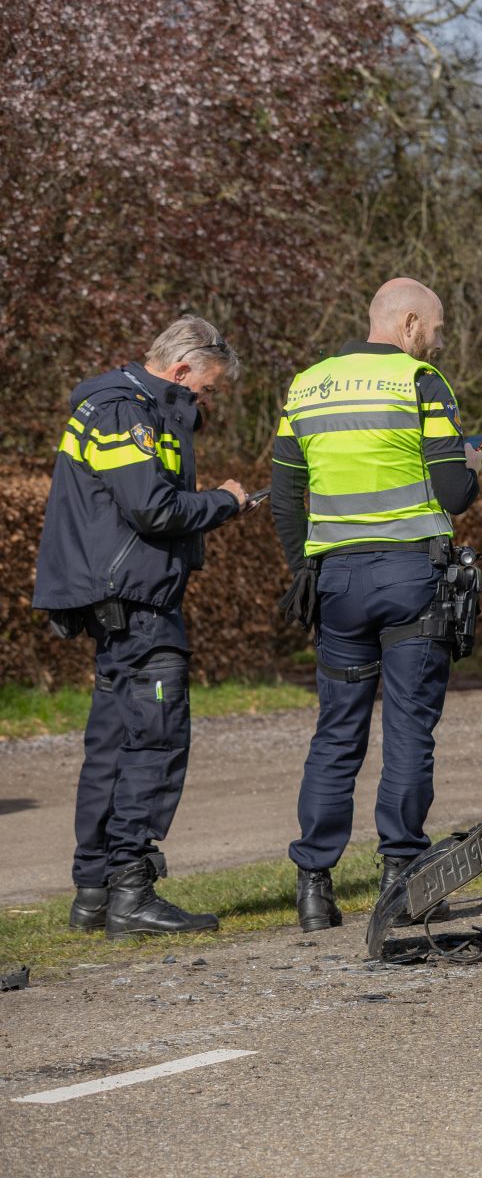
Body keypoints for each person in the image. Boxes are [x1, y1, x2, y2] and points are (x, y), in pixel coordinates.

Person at [270, 278, 481, 932]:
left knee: (336, 731)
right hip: (409, 575)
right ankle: (402, 873)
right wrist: (471, 466)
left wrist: (304, 567)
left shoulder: (305, 386)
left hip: (336, 581)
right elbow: (452, 490)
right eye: (437, 331)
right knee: (409, 728)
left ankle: (314, 885)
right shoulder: (421, 382)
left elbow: (283, 497)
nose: (439, 342)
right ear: (411, 323)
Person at [33, 316, 248, 939]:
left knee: (110, 746)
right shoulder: (126, 412)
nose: (203, 403)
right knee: (153, 743)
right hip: (139, 606)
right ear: (180, 371)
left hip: (119, 605)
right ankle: (131, 890)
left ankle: (94, 893)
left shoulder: (116, 405)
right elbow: (152, 507)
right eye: (204, 390)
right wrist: (224, 502)